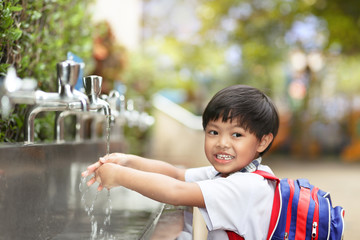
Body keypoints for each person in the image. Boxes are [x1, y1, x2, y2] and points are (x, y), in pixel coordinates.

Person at [82, 84, 280, 239]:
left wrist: (120, 176)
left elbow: (176, 192)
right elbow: (176, 174)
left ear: (263, 141)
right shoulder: (233, 174)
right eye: (213, 132)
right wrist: (127, 161)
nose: (222, 143)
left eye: (237, 134)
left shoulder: (245, 186)